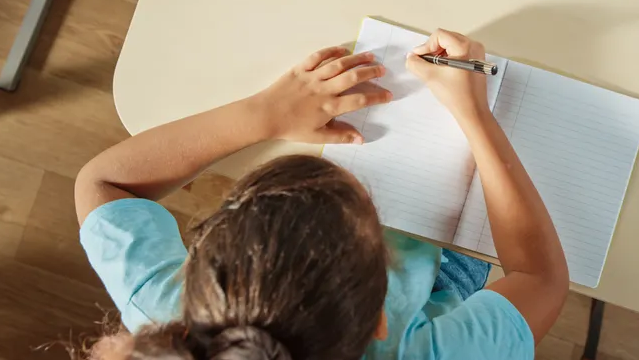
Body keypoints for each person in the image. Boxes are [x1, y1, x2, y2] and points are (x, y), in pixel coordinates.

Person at [76, 30, 569, 360]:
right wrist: (473, 114)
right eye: (372, 213)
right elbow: (540, 278)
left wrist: (263, 113)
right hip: (441, 287)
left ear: (201, 270)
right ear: (382, 319)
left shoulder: (168, 319)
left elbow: (102, 182)